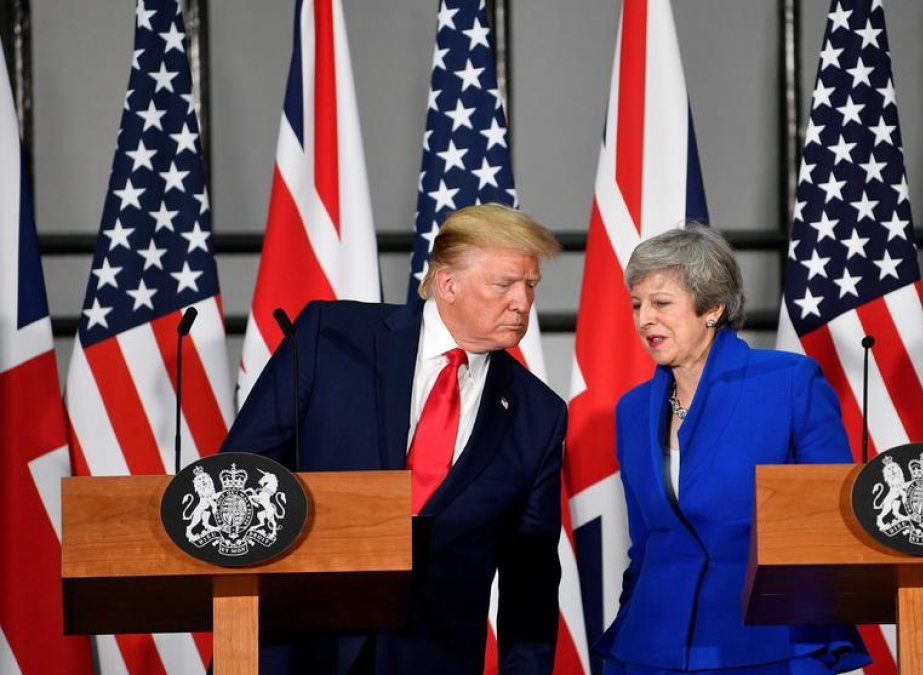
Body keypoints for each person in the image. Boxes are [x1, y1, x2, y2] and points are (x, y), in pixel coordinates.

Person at [222, 204, 566, 675]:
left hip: (432, 657)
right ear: (447, 283)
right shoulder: (333, 338)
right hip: (298, 645)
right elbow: (240, 472)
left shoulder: (539, 414)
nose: (522, 303)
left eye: (530, 286)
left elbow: (532, 579)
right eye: (504, 284)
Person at [594, 227, 870, 674]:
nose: (644, 319)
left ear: (713, 308)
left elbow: (834, 516)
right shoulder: (632, 409)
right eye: (637, 304)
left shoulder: (789, 383)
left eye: (661, 303)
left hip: (769, 638)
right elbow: (645, 544)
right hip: (652, 645)